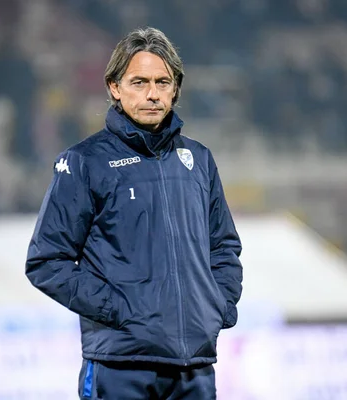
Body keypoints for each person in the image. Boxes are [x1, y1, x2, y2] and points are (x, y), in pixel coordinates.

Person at [26, 27, 243, 400]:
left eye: (163, 81)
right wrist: (118, 310)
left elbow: (223, 247)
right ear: (114, 87)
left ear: (176, 88)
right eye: (139, 82)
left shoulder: (199, 161)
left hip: (194, 368)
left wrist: (216, 308)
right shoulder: (84, 162)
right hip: (120, 367)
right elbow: (46, 261)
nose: (152, 94)